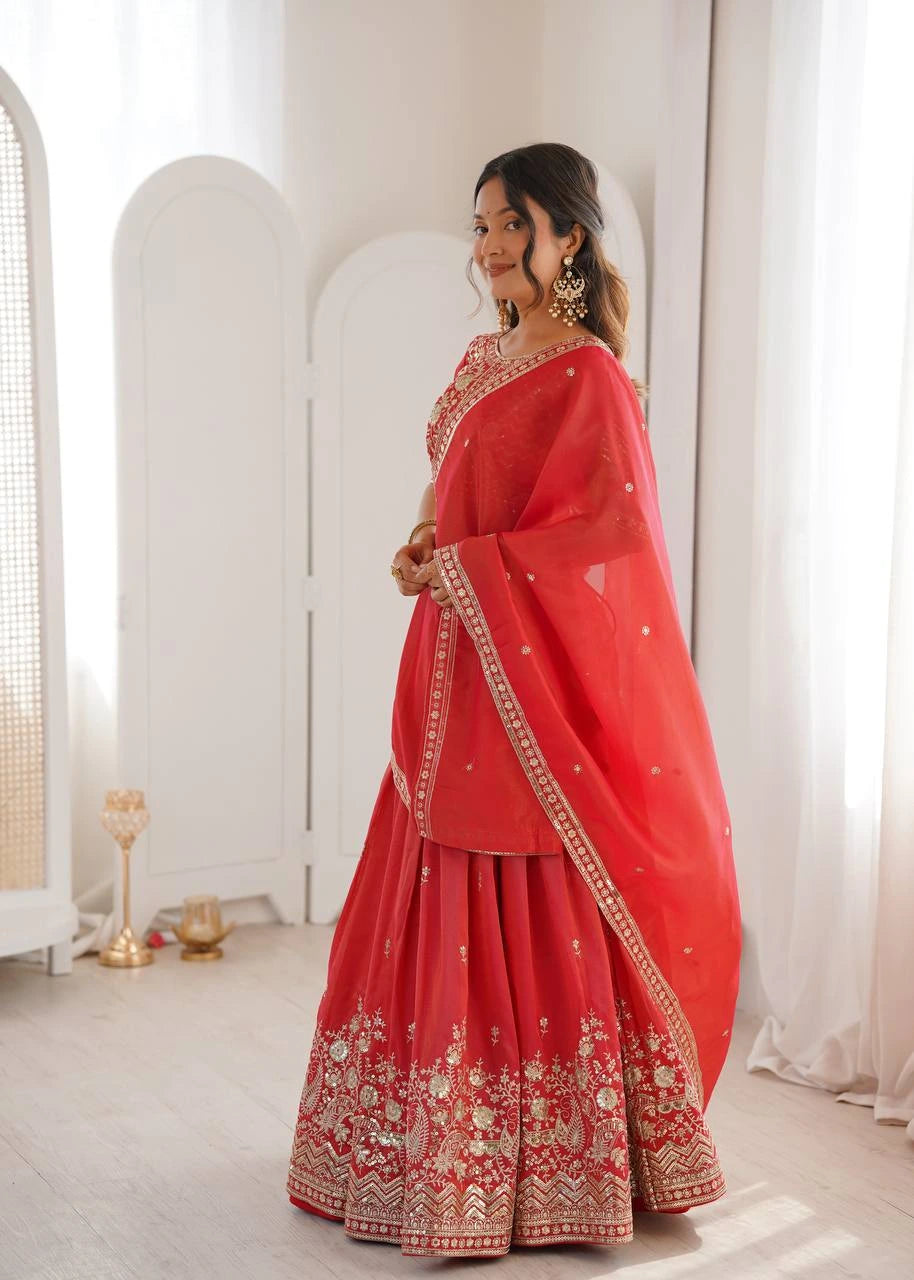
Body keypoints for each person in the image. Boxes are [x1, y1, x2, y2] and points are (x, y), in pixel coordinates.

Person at [286, 142, 741, 1259]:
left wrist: (477, 568)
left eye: (507, 223)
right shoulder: (482, 357)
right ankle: (422, 1153)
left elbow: (612, 531)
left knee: (521, 883)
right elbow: (456, 493)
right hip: (447, 666)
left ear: (567, 234)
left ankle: (546, 1173)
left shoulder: (586, 373)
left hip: (520, 690)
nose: (486, 245)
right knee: (423, 878)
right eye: (478, 225)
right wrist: (420, 544)